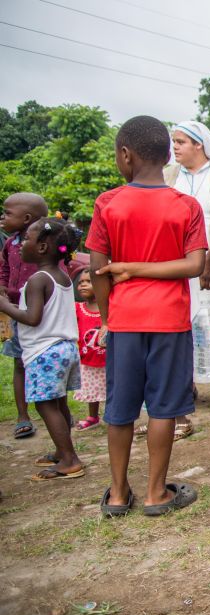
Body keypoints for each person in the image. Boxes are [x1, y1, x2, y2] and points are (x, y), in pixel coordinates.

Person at [88, 115, 206, 517]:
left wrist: (108, 314)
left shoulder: (108, 203)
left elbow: (98, 270)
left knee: (120, 409)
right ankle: (157, 492)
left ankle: (119, 493)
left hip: (123, 319)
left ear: (126, 155)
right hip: (170, 320)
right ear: (166, 153)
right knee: (163, 408)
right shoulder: (185, 206)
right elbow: (194, 265)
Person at [0, 218, 84, 481]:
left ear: (42, 247)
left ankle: (69, 460)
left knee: (45, 405)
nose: (22, 243)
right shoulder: (61, 276)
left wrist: (4, 305)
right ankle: (63, 450)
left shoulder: (38, 279)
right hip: (65, 348)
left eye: (27, 239)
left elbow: (32, 317)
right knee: (58, 403)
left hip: (45, 352)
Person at [165, 120, 210, 421]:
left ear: (199, 144)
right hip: (180, 260)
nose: (175, 148)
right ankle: (188, 382)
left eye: (181, 142)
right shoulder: (168, 176)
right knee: (185, 320)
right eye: (173, 142)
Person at [0, 192, 48, 439]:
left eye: (7, 213)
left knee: (46, 361)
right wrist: (4, 292)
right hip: (18, 314)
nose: (2, 217)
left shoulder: (44, 245)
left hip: (43, 316)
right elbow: (4, 270)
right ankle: (22, 416)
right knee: (19, 363)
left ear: (26, 218)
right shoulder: (10, 244)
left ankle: (58, 411)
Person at [74, 269, 107, 430]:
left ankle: (114, 415)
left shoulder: (109, 307)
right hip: (88, 359)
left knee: (112, 387)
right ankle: (93, 416)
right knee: (91, 390)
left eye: (88, 281)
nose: (83, 285)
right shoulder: (78, 308)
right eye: (80, 282)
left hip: (109, 359)